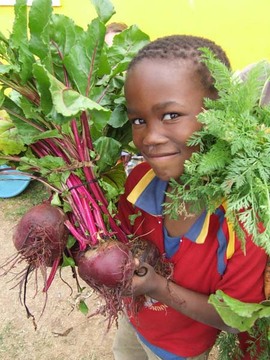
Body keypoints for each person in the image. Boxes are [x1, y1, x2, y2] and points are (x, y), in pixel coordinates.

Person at [113, 35, 268, 360]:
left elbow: (235, 318)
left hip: (182, 351)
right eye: (138, 120)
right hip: (133, 321)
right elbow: (121, 236)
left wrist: (157, 286)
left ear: (222, 109)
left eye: (170, 115)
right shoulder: (138, 181)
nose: (150, 138)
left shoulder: (244, 220)